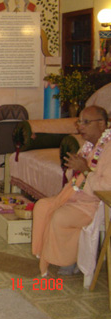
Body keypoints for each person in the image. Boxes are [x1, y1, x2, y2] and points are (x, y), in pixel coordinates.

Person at [32, 105, 111, 276]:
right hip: (77, 196)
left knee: (60, 216)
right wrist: (74, 169)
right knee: (42, 207)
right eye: (79, 122)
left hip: (97, 205)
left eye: (85, 122)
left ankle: (70, 259)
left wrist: (84, 170)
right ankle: (47, 252)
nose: (80, 126)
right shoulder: (88, 146)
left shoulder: (109, 149)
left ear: (102, 124)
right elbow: (74, 179)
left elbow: (106, 188)